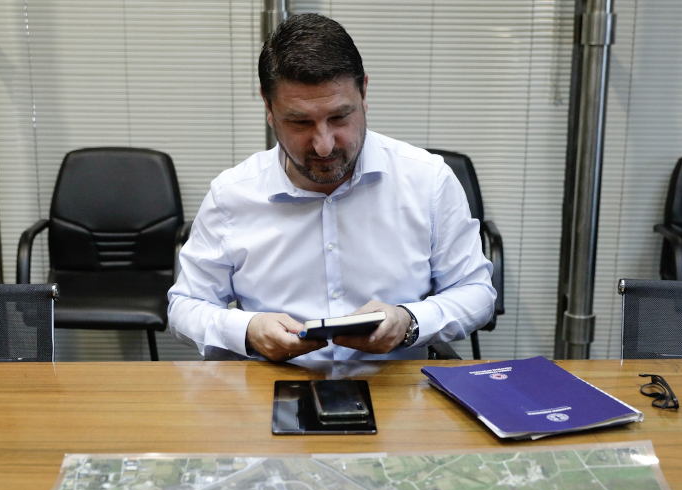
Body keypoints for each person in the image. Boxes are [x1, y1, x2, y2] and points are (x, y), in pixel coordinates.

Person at [168, 13, 495, 363]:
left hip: (395, 389)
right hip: (273, 388)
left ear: (364, 92)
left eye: (339, 117)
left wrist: (409, 321)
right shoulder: (232, 195)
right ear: (268, 107)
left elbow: (476, 293)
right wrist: (247, 329)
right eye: (299, 122)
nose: (324, 145)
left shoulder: (428, 180)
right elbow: (185, 307)